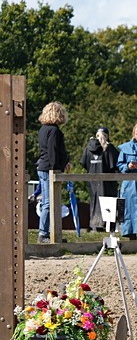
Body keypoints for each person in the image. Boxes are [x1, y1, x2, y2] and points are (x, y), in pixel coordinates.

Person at [35, 102, 69, 242]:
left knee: (48, 202)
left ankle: (48, 232)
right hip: (49, 168)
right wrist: (57, 170)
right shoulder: (54, 131)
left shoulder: (43, 129)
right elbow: (53, 152)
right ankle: (44, 233)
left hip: (42, 167)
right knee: (49, 203)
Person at [80, 127, 119, 231]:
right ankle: (109, 226)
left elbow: (84, 163)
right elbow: (116, 164)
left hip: (93, 182)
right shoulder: (109, 149)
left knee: (94, 202)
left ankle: (95, 225)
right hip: (107, 183)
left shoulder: (88, 148)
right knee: (109, 202)